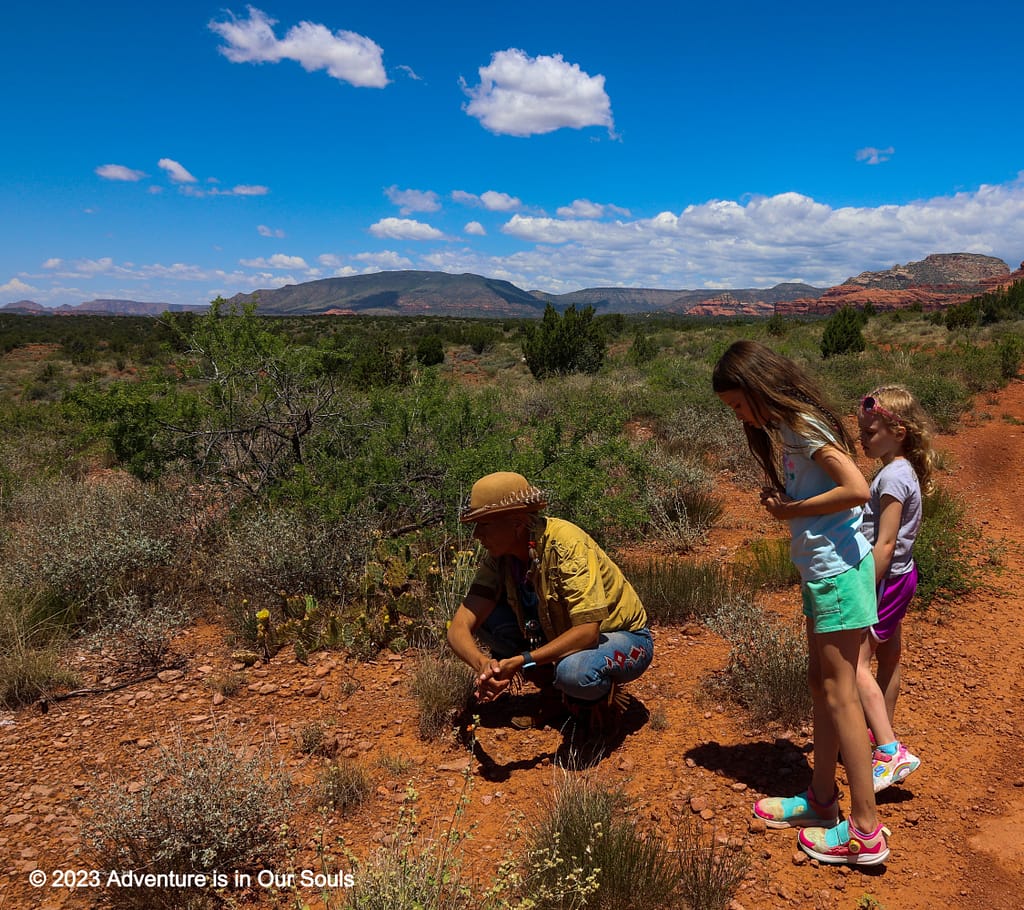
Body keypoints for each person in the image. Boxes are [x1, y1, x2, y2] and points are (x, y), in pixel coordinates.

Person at [712, 340, 889, 866]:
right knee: (822, 686)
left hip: (837, 573)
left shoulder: (802, 424)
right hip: (824, 571)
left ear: (757, 386)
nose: (741, 416)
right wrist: (792, 506)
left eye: (740, 405)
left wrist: (792, 510)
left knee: (840, 694)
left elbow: (858, 488)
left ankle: (864, 831)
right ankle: (821, 800)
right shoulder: (790, 427)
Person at [446, 471, 653, 730]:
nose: (476, 534)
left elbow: (588, 633)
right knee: (489, 621)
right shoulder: (500, 558)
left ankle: (600, 707)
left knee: (576, 673)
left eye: (484, 524)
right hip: (562, 634)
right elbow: (458, 627)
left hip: (622, 638)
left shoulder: (567, 545)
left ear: (517, 522)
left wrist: (521, 660)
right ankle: (557, 695)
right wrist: (483, 665)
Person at [856, 386, 934, 792]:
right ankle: (877, 734)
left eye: (870, 433)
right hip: (902, 577)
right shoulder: (901, 470)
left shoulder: (892, 477)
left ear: (897, 430)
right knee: (889, 658)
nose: (863, 440)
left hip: (885, 580)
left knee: (855, 665)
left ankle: (889, 751)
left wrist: (863, 592)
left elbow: (884, 544)